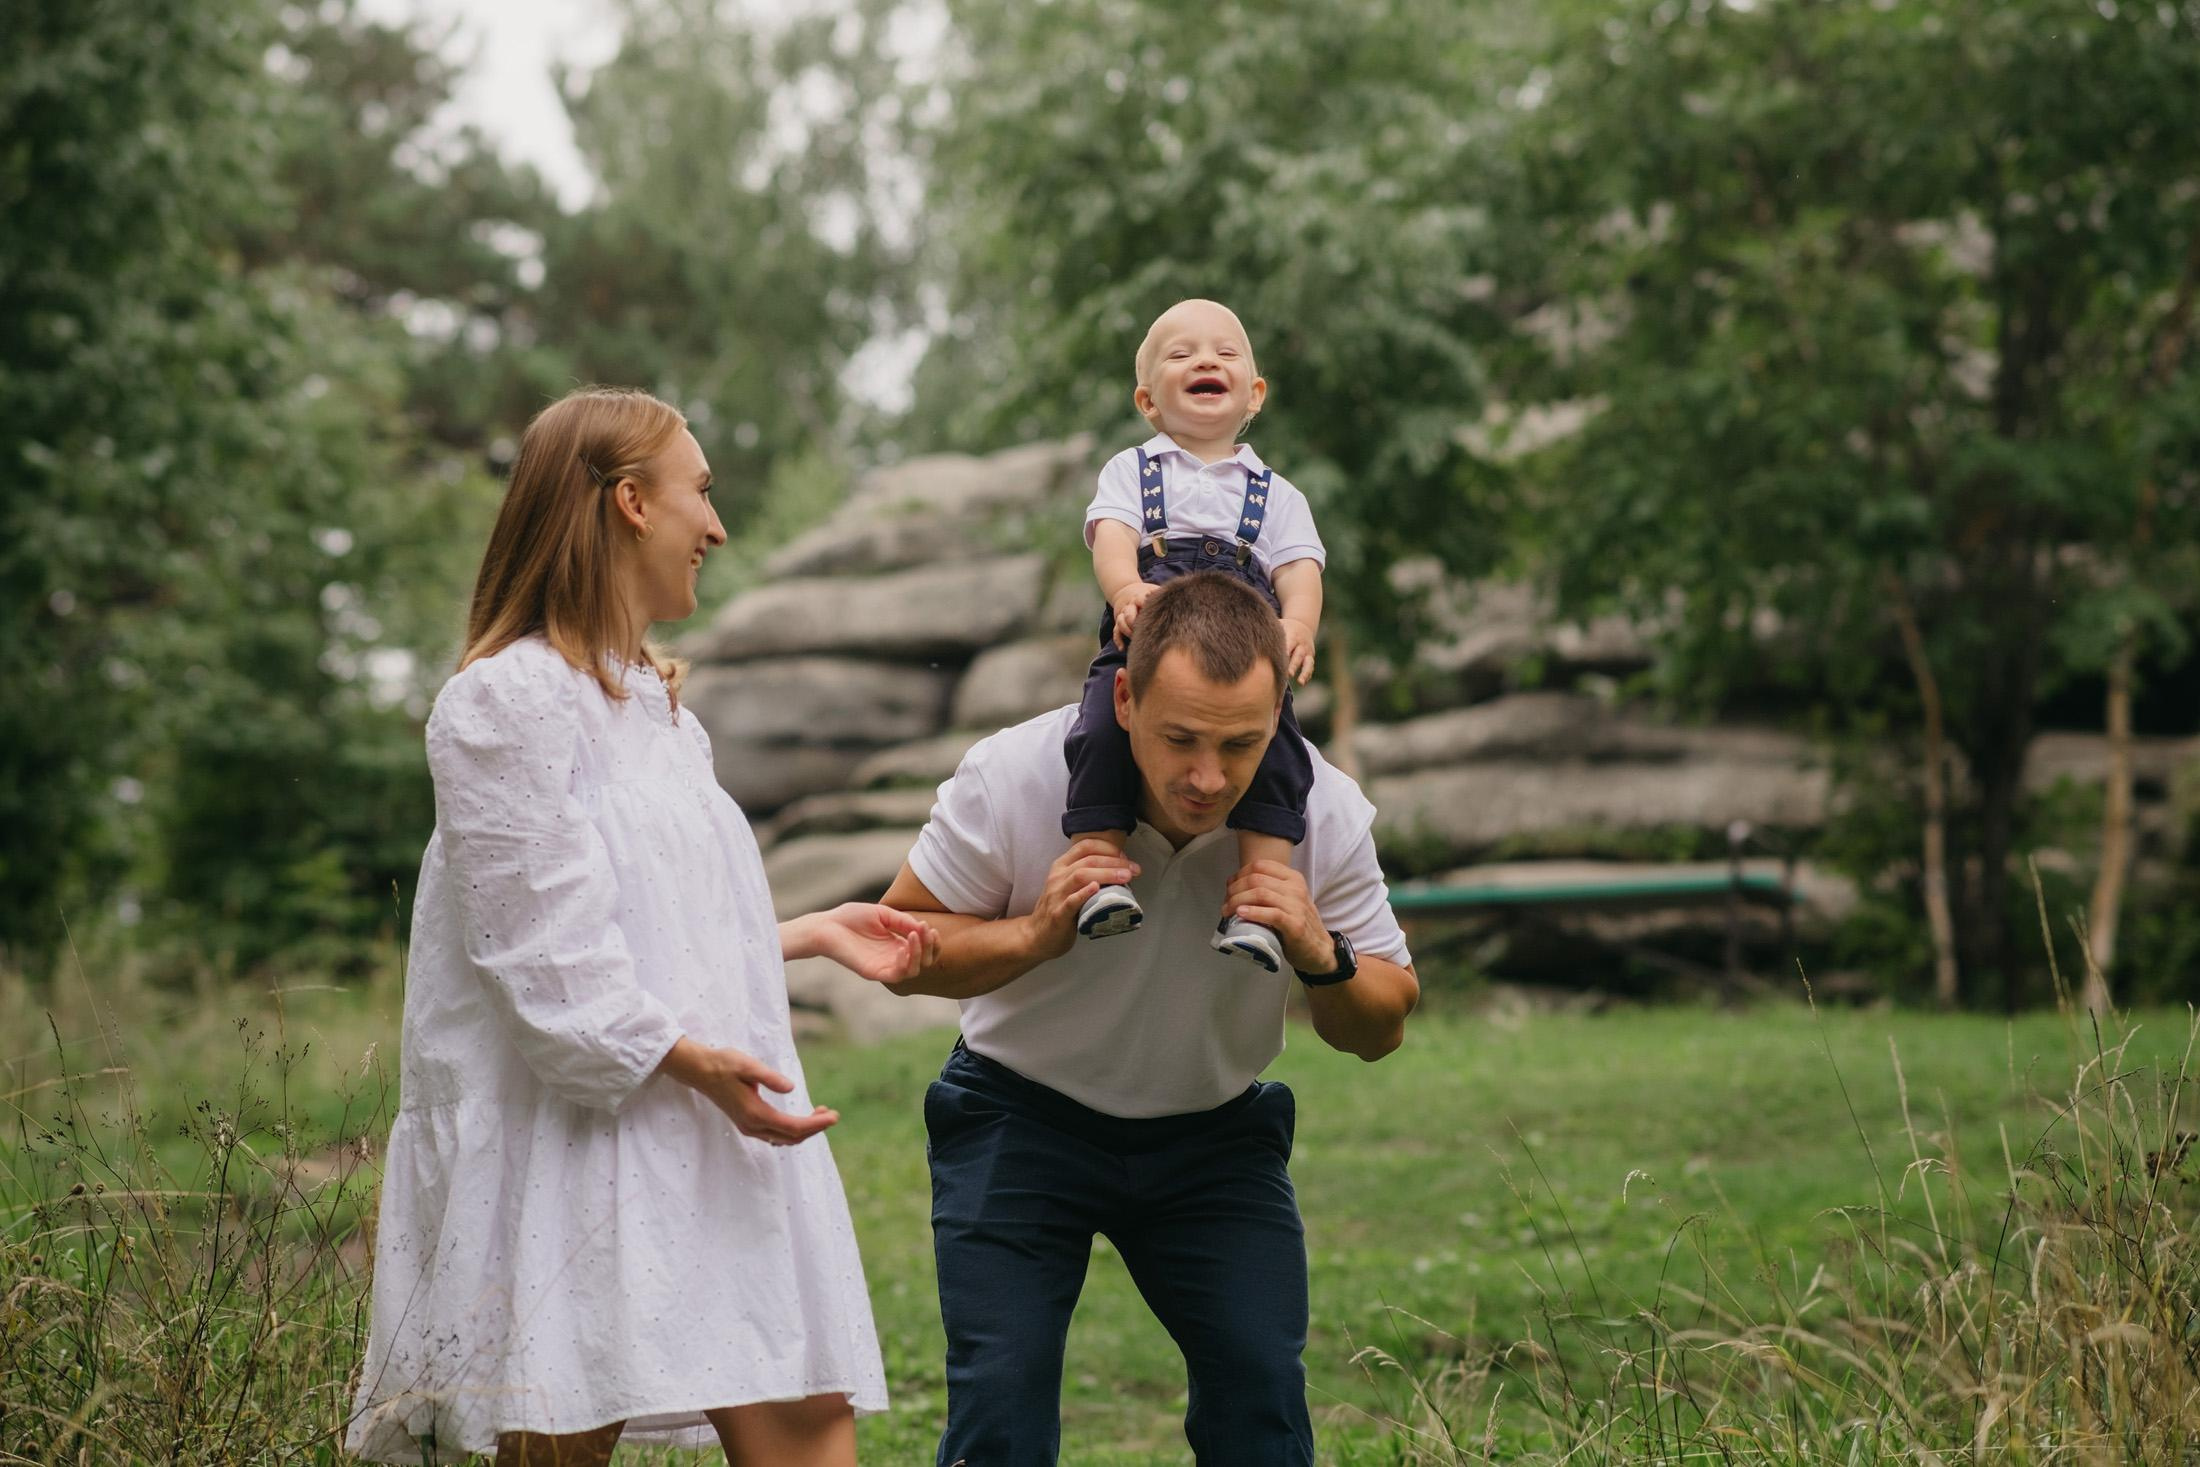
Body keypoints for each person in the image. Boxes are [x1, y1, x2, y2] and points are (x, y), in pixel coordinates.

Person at [346, 386, 936, 1466]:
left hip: (710, 1116)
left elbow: (661, 922)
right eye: (699, 494)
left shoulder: (662, 716)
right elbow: (539, 952)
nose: (716, 528)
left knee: (805, 1411)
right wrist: (681, 1059)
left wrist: (801, 932)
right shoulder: (503, 705)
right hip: (577, 1140)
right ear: (627, 503)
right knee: (554, 1438)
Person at [874, 572, 1420, 1466]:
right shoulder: (1014, 772)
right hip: (1020, 1117)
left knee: (1263, 1400)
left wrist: (1324, 954)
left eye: (1242, 744)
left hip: (1213, 1139)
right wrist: (1033, 934)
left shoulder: (1322, 809)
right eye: (1181, 739)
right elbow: (906, 947)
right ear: (1123, 696)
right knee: (999, 1411)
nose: (1208, 777)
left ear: (1280, 711)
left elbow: (1383, 1025)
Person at [1064, 298, 1327, 975]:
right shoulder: (1132, 470)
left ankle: (1258, 904)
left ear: (1255, 393)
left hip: (1245, 650)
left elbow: (1300, 569)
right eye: (1182, 354)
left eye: (1224, 353)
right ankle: (1100, 875)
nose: (1205, 360)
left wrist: (1297, 623)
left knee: (1280, 752)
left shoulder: (1278, 494)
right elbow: (1113, 538)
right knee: (1098, 727)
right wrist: (1125, 589)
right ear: (1148, 399)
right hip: (1148, 632)